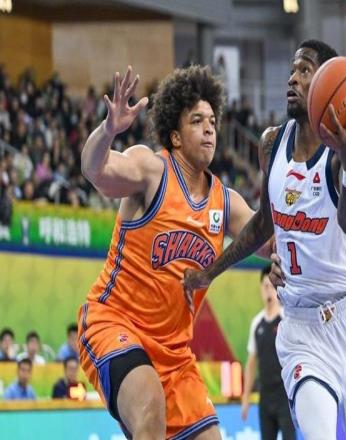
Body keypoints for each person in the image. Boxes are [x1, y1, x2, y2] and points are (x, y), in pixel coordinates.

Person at [184, 39, 346, 439]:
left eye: (305, 70)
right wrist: (211, 271)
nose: (292, 78)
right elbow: (265, 223)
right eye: (293, 69)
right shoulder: (271, 143)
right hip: (298, 324)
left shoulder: (342, 155)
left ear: (327, 83)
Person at [78, 64, 265, 440]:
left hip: (175, 353)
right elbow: (95, 170)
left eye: (212, 120)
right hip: (114, 323)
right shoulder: (151, 170)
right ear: (175, 136)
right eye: (197, 120)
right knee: (150, 407)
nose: (209, 128)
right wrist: (108, 130)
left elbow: (273, 238)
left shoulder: (226, 202)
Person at [241, 265, 295, 440]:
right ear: (260, 289)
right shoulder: (256, 324)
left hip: (285, 396)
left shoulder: (287, 319)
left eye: (271, 286)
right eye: (265, 286)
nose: (268, 291)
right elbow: (251, 363)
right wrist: (245, 399)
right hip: (265, 398)